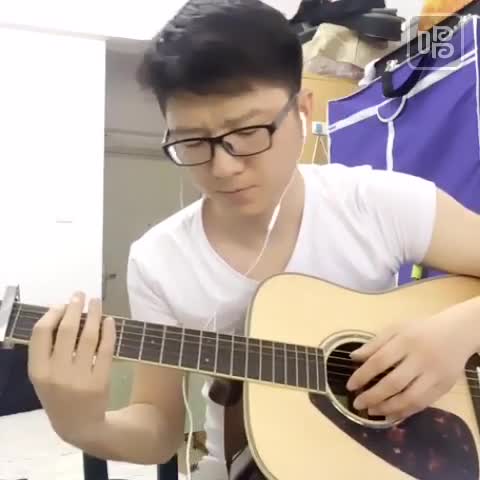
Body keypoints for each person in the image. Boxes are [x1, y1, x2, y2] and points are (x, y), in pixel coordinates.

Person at [27, 0, 480, 478]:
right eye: (192, 142)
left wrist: (458, 332)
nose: (223, 167)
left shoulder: (378, 202)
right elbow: (159, 428)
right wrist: (82, 424)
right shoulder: (159, 261)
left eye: (248, 132)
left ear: (302, 110)